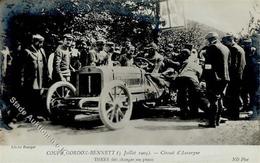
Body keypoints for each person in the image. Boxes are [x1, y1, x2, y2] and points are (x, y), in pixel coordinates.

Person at [201, 32, 231, 127]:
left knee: (213, 99)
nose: (207, 42)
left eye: (208, 40)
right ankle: (217, 121)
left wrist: (204, 77)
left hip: (214, 78)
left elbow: (208, 65)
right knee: (219, 98)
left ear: (210, 39)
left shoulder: (212, 47)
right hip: (225, 78)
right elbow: (229, 64)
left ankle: (212, 122)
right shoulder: (226, 48)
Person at [175, 49, 210, 120]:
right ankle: (207, 112)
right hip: (191, 78)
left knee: (182, 94)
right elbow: (200, 74)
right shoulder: (198, 63)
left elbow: (180, 70)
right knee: (196, 95)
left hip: (181, 77)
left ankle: (184, 112)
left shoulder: (187, 61)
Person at [22, 34, 49, 121]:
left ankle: (36, 115)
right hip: (30, 80)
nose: (41, 44)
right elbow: (22, 68)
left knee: (38, 97)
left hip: (40, 79)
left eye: (42, 42)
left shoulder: (42, 51)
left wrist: (47, 76)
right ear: (34, 42)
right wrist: (22, 80)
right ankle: (29, 116)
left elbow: (45, 65)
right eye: (40, 42)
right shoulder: (27, 52)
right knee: (30, 97)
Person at [222, 34, 246, 120]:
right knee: (235, 95)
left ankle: (233, 115)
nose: (224, 44)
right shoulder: (240, 49)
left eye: (225, 42)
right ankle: (234, 114)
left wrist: (228, 75)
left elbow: (233, 65)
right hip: (240, 75)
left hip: (234, 76)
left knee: (233, 96)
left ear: (229, 40)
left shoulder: (233, 49)